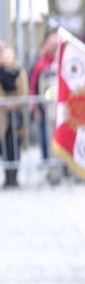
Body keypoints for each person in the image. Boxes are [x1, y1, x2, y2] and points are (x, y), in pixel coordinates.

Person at [0, 46, 28, 188]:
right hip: (2, 117)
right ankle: (7, 176)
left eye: (9, 56)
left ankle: (14, 176)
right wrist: (4, 101)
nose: (6, 59)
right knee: (4, 147)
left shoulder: (19, 73)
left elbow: (24, 92)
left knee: (15, 146)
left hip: (16, 115)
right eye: (4, 56)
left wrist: (13, 103)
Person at [29, 30, 58, 160]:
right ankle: (48, 161)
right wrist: (35, 106)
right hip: (44, 107)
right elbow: (33, 85)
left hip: (59, 108)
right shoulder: (40, 65)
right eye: (51, 43)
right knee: (45, 136)